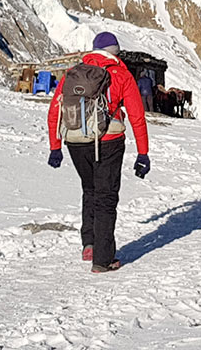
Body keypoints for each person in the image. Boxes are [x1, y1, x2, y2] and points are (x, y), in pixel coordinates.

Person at [46, 31, 151, 273]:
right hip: (109, 142)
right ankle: (103, 260)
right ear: (115, 52)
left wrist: (55, 146)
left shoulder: (74, 72)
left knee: (89, 189)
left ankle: (89, 244)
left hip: (75, 141)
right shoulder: (121, 74)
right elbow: (137, 116)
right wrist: (143, 153)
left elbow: (55, 110)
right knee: (106, 197)